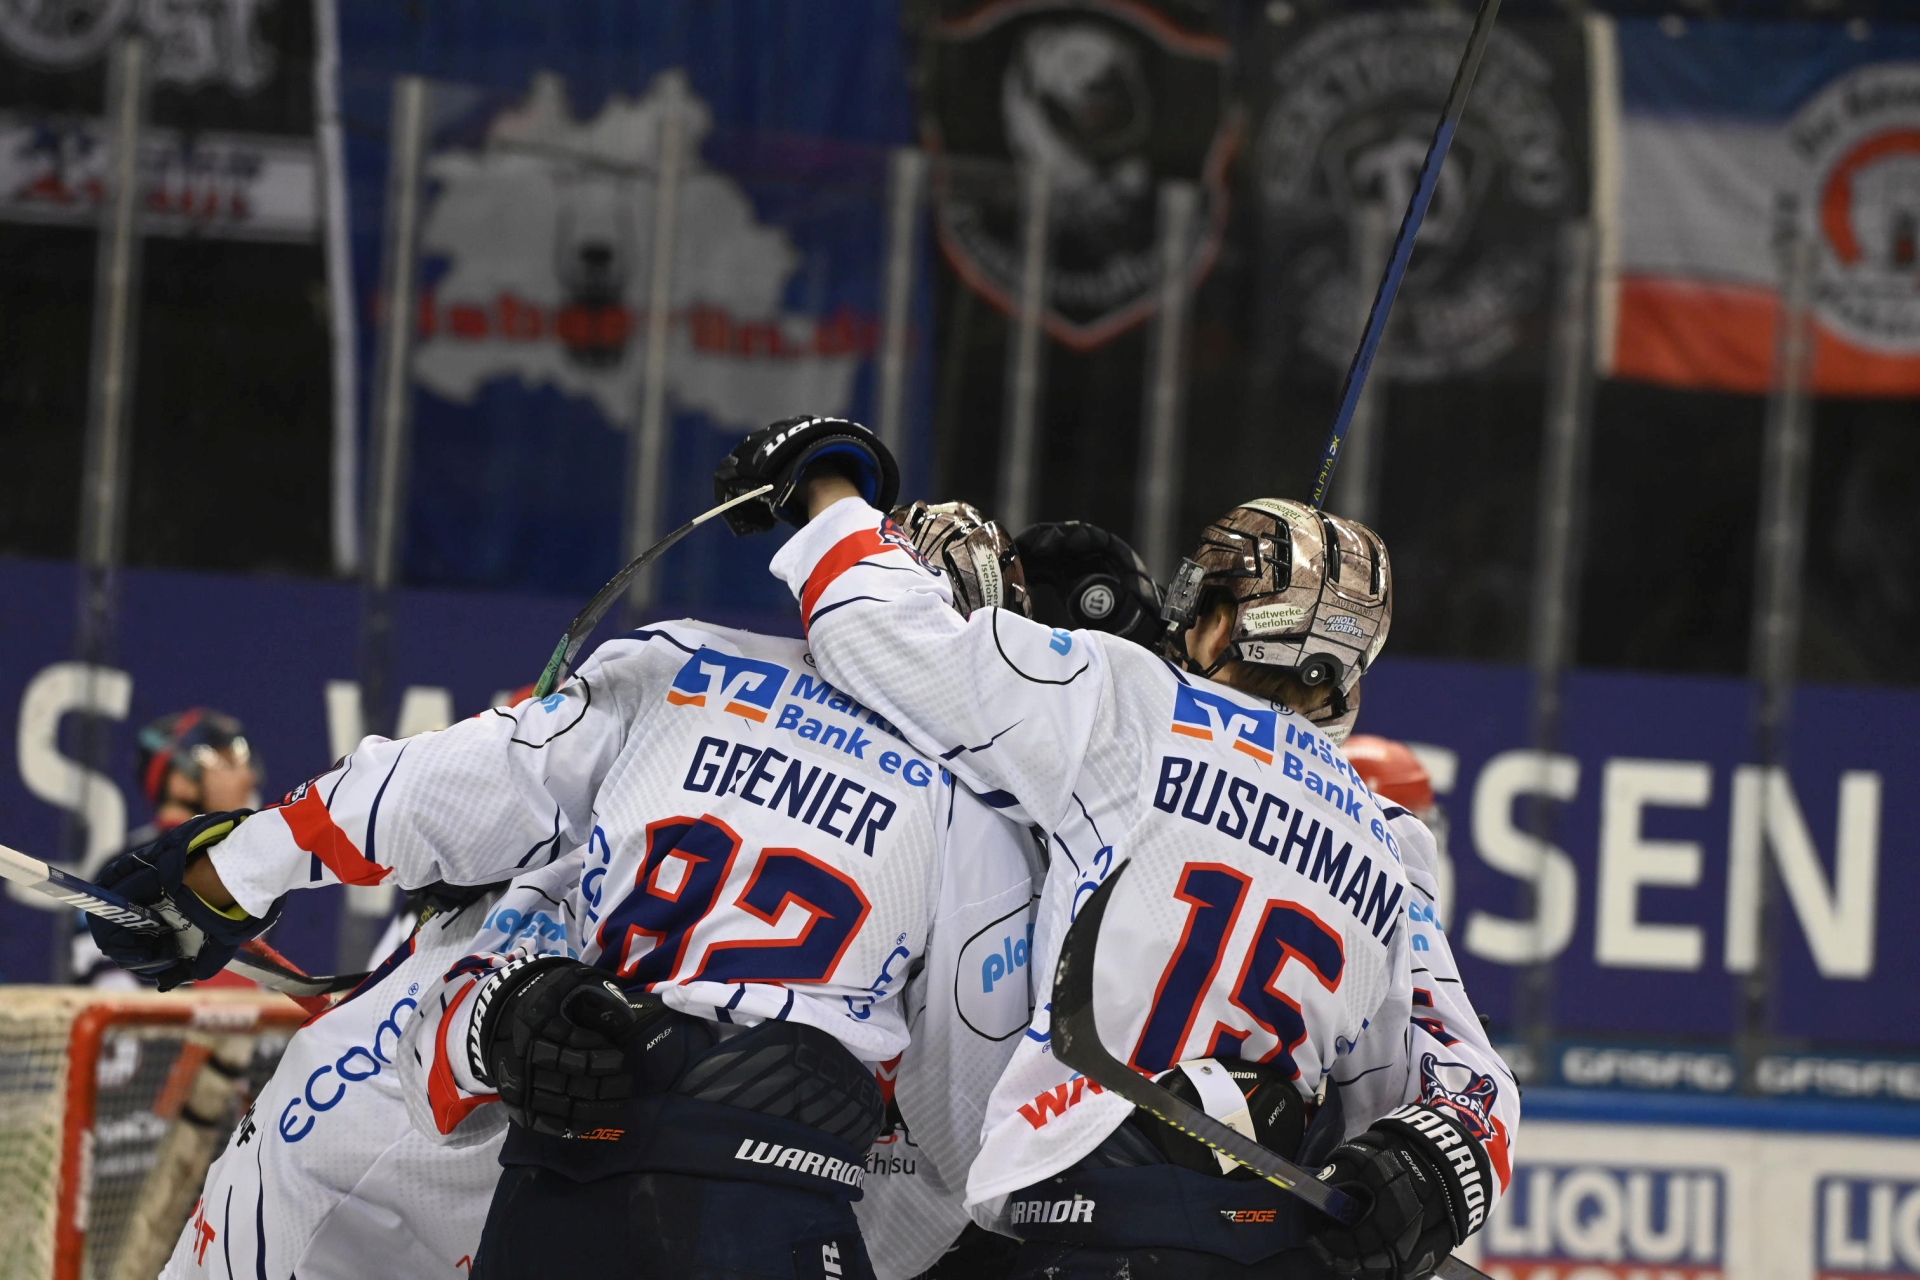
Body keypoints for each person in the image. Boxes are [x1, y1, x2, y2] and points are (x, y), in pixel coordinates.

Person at [90, 485, 1042, 1280]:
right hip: (548, 1167)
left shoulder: (685, 662)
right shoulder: (987, 815)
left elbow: (429, 792)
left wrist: (228, 874)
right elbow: (952, 1149)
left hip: (398, 1131)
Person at [716, 417, 1518, 1280]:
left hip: (1080, 1207)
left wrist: (828, 488)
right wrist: (1433, 1167)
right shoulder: (1387, 838)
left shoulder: (1127, 700)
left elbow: (880, 634)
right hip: (1268, 1233)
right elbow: (1460, 1078)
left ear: (1216, 624)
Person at [74, 709, 261, 988]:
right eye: (228, 763)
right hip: (152, 1026)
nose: (248, 778)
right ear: (181, 782)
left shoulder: (251, 863)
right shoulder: (127, 867)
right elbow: (103, 983)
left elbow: (251, 984)